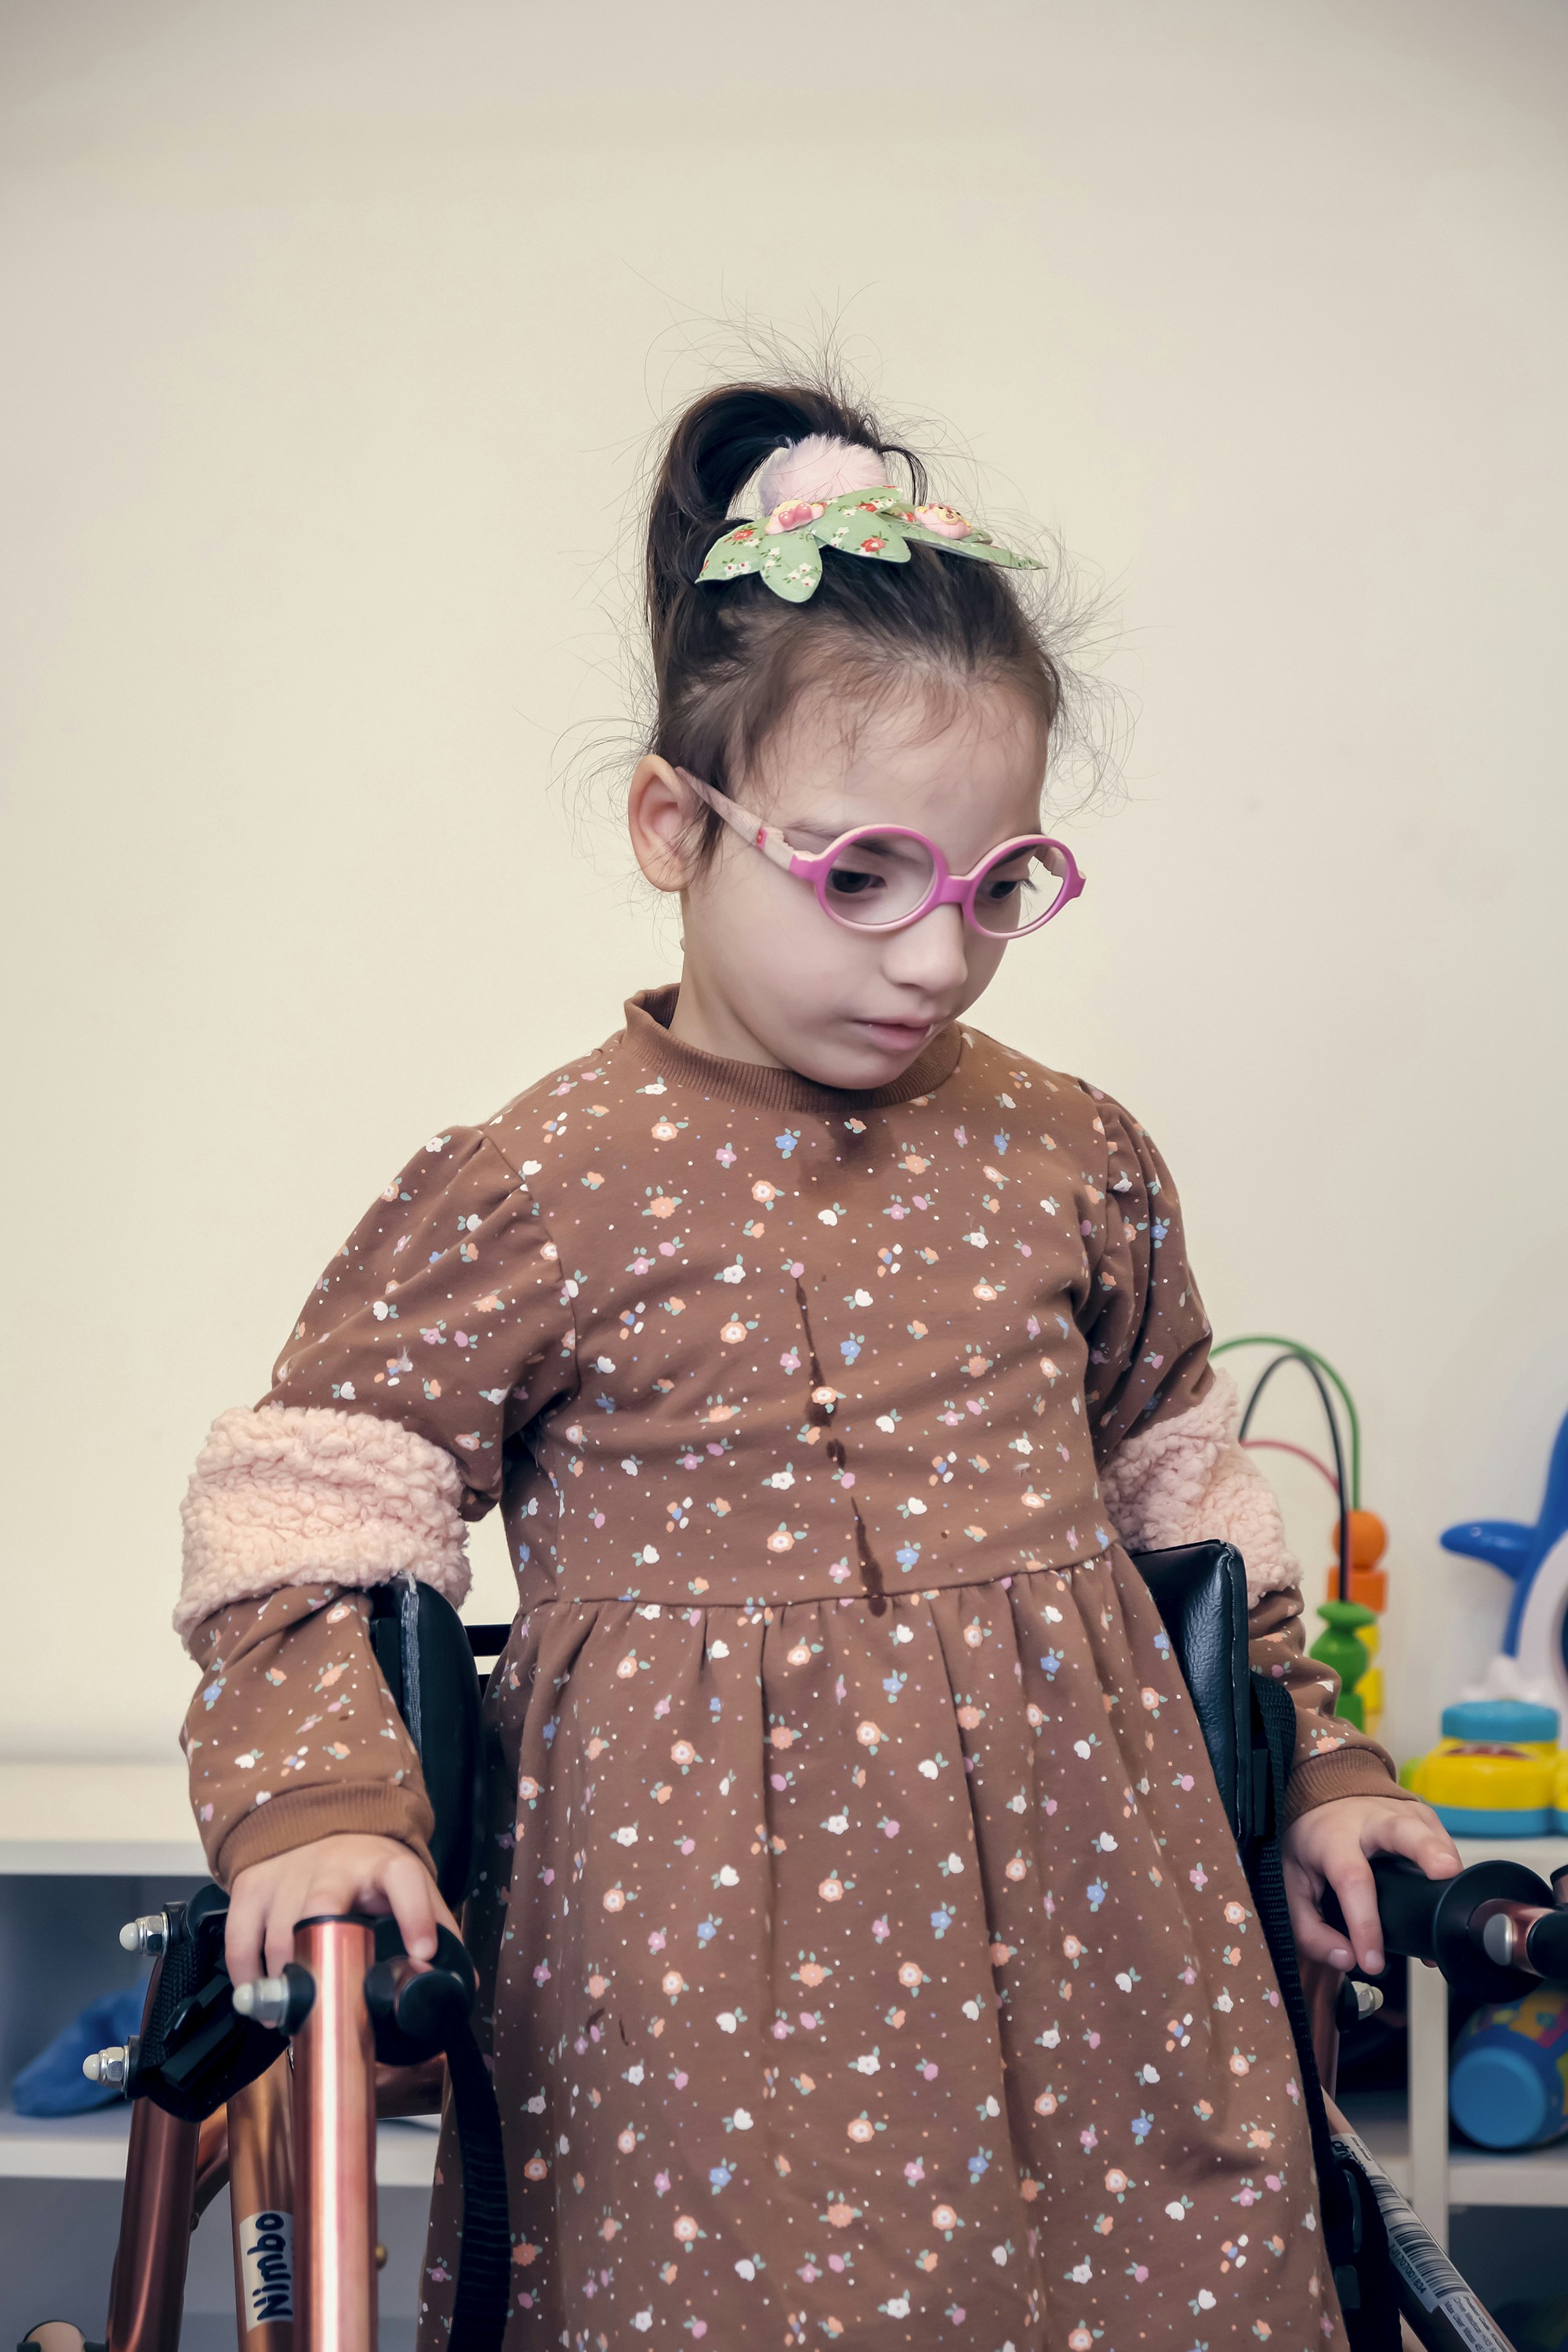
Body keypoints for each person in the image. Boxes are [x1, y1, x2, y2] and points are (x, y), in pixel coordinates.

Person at [176, 379, 1459, 2350]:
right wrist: (321, 1802)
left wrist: (1327, 1771)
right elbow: (311, 1498)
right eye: (861, 876)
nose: (935, 960)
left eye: (996, 887)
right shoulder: (544, 1182)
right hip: (705, 1958)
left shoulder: (1071, 1149)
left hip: (1106, 1919)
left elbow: (1185, 1498)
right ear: (672, 826)